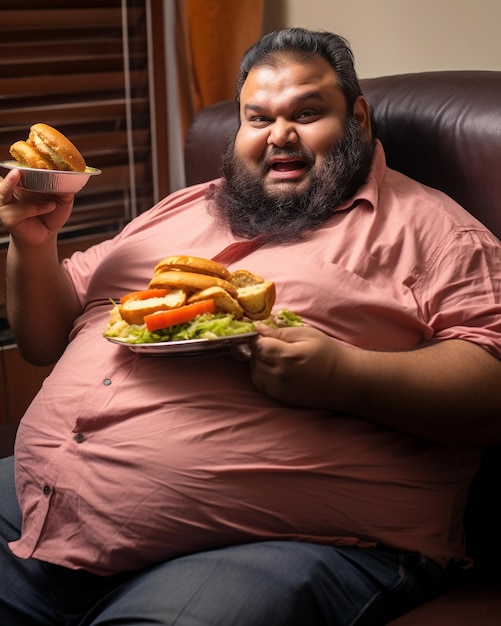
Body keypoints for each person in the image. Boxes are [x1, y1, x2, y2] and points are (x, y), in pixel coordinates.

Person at [1, 26, 501, 626]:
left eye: (307, 113)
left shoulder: (437, 234)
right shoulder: (180, 208)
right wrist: (33, 244)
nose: (279, 136)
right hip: (36, 503)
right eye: (257, 118)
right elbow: (42, 338)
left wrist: (346, 374)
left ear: (359, 119)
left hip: (280, 542)